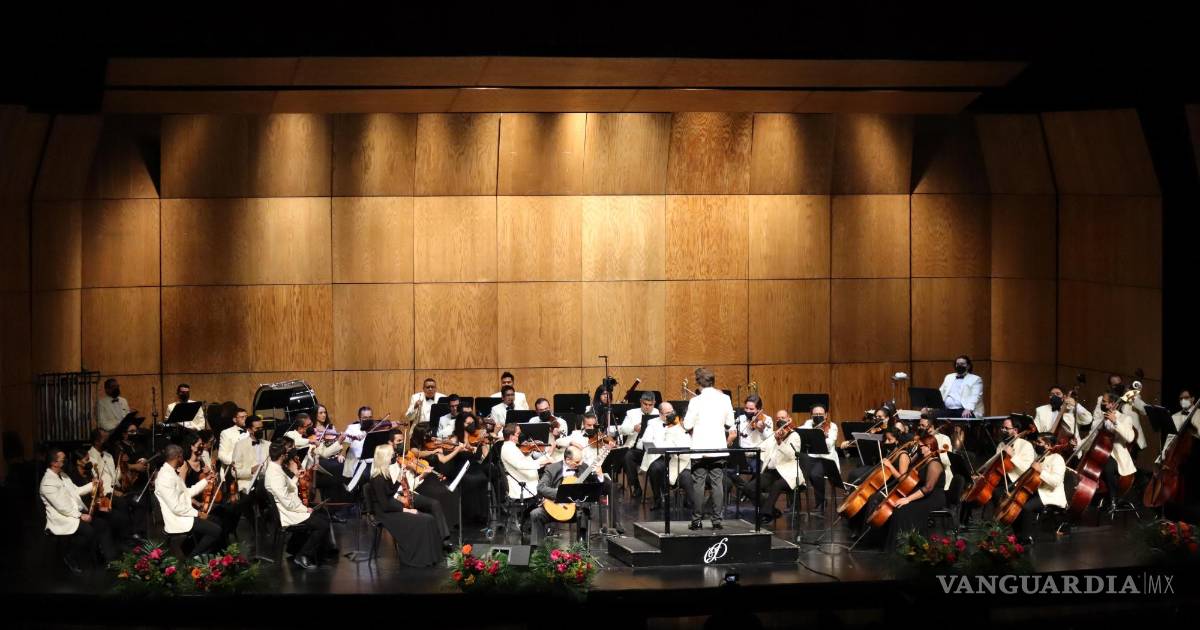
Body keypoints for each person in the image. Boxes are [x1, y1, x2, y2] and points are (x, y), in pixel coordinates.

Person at [367, 444, 444, 567]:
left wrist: (399, 478)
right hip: (385, 514)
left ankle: (432, 557)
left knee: (429, 519)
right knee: (424, 521)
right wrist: (406, 511)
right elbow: (385, 505)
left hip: (391, 508)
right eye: (391, 454)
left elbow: (389, 492)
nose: (393, 456)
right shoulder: (377, 479)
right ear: (385, 457)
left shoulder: (384, 475)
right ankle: (420, 558)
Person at [40, 448, 114, 573]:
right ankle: (71, 556)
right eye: (63, 460)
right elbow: (61, 506)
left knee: (102, 524)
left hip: (72, 512)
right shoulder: (47, 483)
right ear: (54, 463)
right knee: (89, 531)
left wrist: (93, 484)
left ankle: (109, 558)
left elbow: (76, 491)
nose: (65, 461)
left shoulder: (63, 475)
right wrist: (80, 515)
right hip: (62, 517)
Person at [684, 367, 736, 530]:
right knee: (717, 483)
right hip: (718, 447)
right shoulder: (725, 399)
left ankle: (696, 521)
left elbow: (687, 425)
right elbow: (730, 422)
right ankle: (717, 520)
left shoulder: (695, 401)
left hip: (700, 448)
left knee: (698, 484)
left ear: (698, 383)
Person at [265, 440, 331, 569]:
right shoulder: (274, 473)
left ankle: (295, 548)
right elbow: (286, 500)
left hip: (288, 508)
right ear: (282, 456)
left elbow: (286, 488)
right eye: (286, 454)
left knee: (322, 515)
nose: (287, 456)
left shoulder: (275, 468)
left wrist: (296, 477)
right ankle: (303, 555)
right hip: (286, 512)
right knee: (322, 524)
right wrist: (304, 509)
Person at [528, 445, 607, 544]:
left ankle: (581, 547)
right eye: (577, 462)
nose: (580, 463)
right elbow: (540, 487)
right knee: (536, 514)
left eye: (581, 460)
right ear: (568, 460)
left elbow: (600, 489)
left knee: (584, 513)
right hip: (556, 507)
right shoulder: (552, 468)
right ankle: (538, 549)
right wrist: (562, 493)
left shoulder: (584, 467)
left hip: (576, 510)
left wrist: (600, 475)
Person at [882, 434, 946, 552]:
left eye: (921, 446)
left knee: (902, 510)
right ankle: (897, 546)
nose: (919, 449)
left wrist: (908, 499)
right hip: (924, 495)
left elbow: (928, 488)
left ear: (928, 447)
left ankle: (906, 546)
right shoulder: (925, 460)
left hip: (933, 498)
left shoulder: (934, 464)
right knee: (898, 507)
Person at [155, 444, 222, 557]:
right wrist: (198, 513)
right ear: (178, 456)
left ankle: (209, 557)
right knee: (216, 531)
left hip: (185, 514)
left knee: (217, 520)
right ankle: (194, 558)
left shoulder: (171, 473)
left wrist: (206, 480)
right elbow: (175, 507)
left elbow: (186, 493)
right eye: (182, 456)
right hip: (179, 520)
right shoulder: (165, 477)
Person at [1079, 391, 1140, 511]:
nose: (1101, 404)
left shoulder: (1124, 418)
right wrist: (1078, 446)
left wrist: (1115, 421)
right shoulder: (1100, 418)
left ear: (1113, 404)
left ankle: (1113, 499)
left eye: (1104, 402)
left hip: (1117, 457)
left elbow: (1130, 437)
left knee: (1107, 465)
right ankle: (1088, 497)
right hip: (1100, 453)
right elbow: (1091, 437)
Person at [1012, 433, 1067, 541]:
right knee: (1016, 504)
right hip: (1038, 492)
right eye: (1036, 442)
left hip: (1050, 495)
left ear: (1048, 445)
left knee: (1026, 507)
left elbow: (1055, 482)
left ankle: (1027, 538)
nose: (1036, 444)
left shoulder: (1057, 458)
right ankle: (1018, 535)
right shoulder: (1039, 459)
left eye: (1039, 442)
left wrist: (1040, 470)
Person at [642, 402, 693, 512]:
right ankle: (657, 499)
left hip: (676, 457)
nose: (671, 415)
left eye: (672, 412)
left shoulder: (679, 423)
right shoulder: (652, 423)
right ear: (660, 414)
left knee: (685, 473)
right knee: (655, 468)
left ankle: (688, 500)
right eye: (667, 413)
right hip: (659, 456)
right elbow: (646, 441)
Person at [620, 392, 660, 499]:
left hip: (652, 449)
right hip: (636, 449)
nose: (647, 407)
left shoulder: (659, 413)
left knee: (656, 463)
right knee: (627, 456)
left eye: (650, 405)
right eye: (645, 404)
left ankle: (658, 492)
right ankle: (636, 487)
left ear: (654, 403)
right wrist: (633, 428)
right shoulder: (631, 413)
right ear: (641, 402)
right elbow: (622, 429)